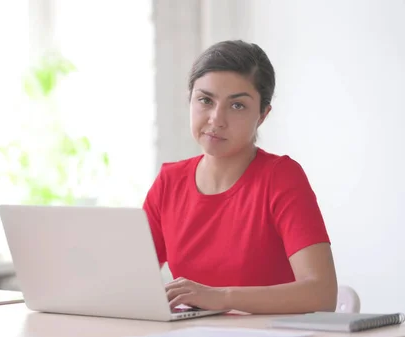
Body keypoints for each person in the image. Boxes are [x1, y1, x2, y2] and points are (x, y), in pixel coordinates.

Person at [142, 40, 338, 315]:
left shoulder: (281, 178)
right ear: (190, 99)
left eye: (237, 106)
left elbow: (322, 294)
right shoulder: (169, 181)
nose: (216, 119)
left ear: (262, 115)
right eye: (205, 100)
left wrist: (223, 297)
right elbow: (130, 282)